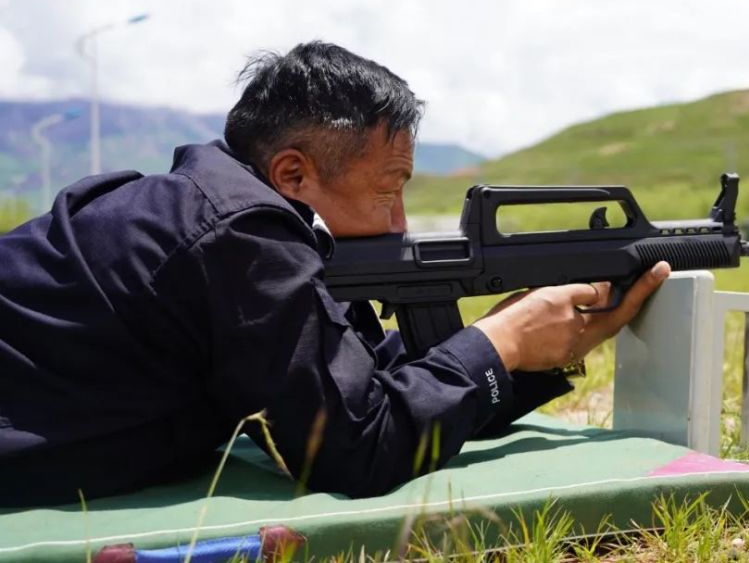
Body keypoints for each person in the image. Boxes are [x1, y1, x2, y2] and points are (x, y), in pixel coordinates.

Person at [0, 42, 670, 506]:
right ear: (294, 173)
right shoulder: (242, 232)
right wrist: (504, 342)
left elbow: (367, 380)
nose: (400, 220)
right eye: (390, 187)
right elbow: (355, 445)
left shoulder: (226, 211)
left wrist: (534, 343)